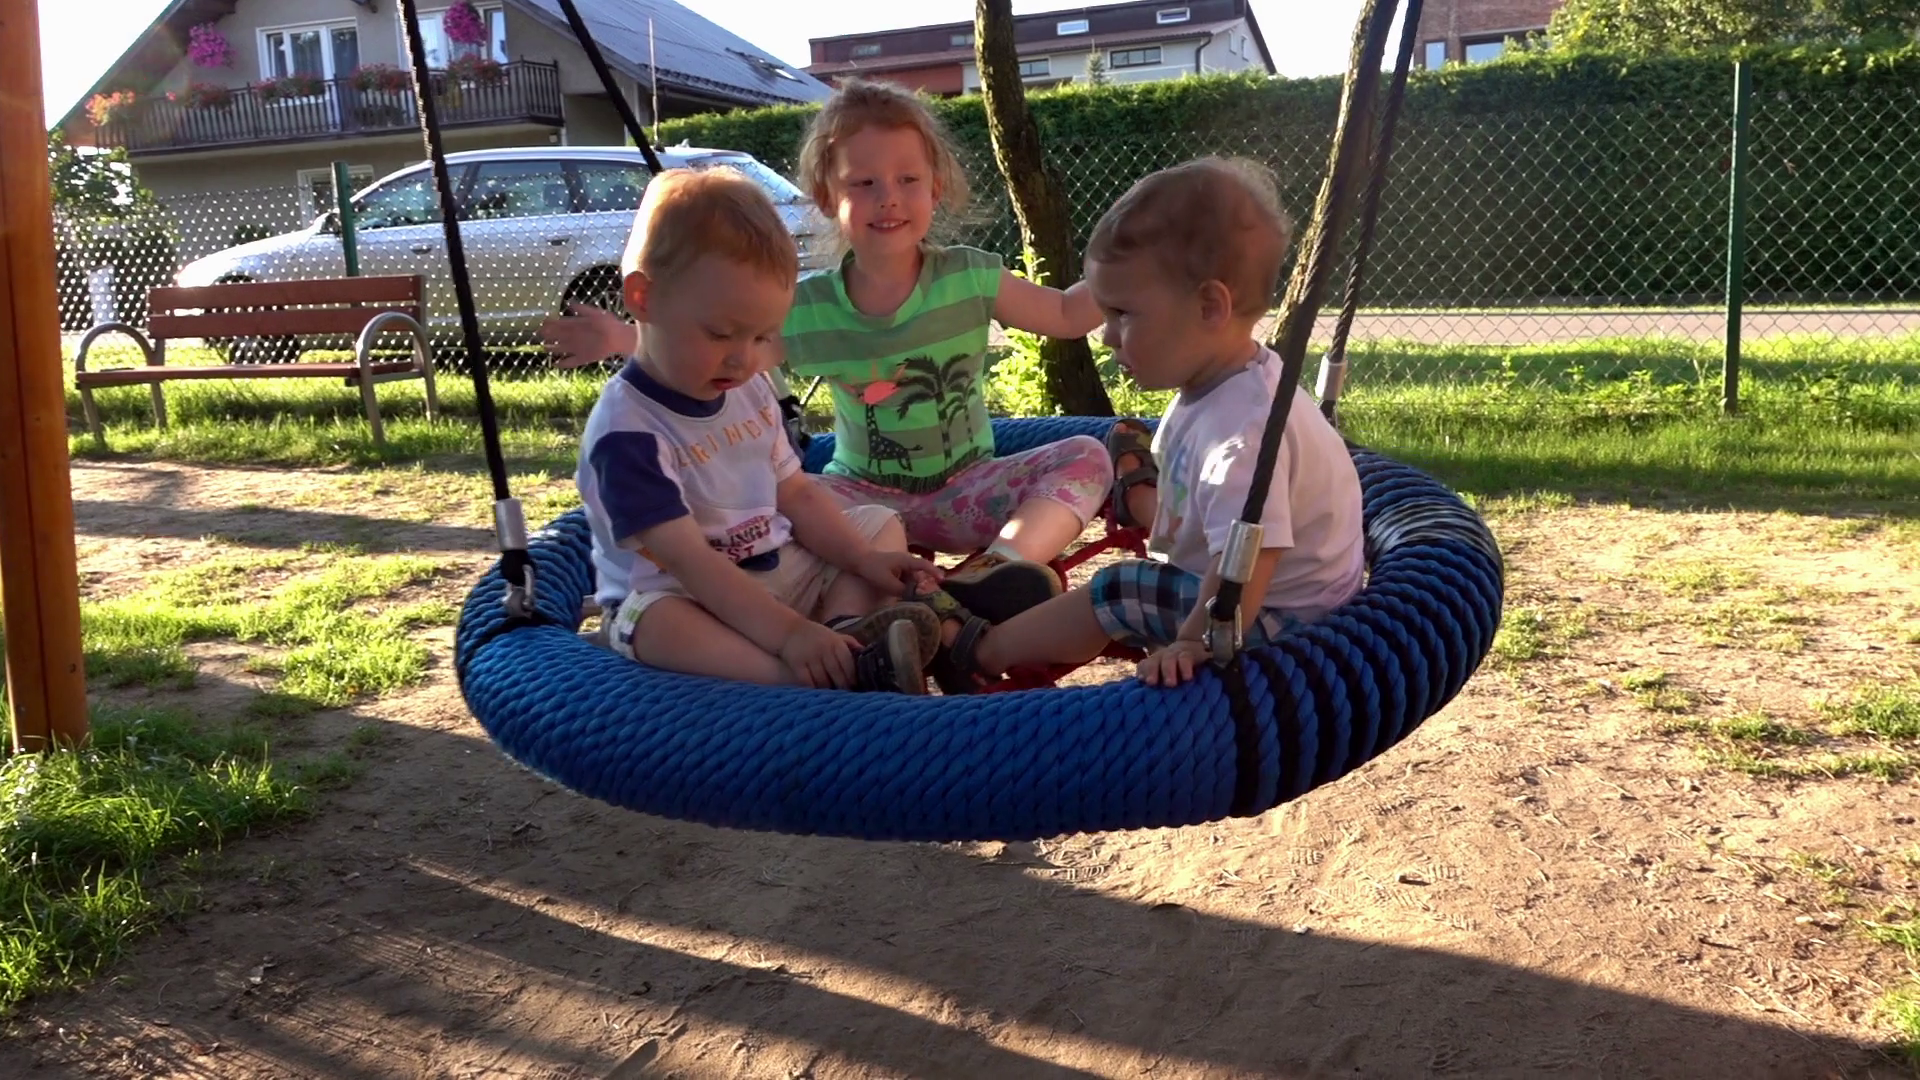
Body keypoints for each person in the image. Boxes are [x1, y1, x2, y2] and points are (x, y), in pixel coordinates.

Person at [545, 78, 1113, 628]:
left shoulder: (970, 277)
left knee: (1087, 454)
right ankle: (859, 625)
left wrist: (1129, 280)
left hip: (968, 490)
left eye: (908, 179)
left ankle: (994, 571)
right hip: (856, 498)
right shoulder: (809, 306)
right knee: (778, 499)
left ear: (935, 189)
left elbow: (1065, 316)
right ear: (825, 198)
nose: (888, 197)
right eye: (863, 183)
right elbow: (724, 348)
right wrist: (626, 338)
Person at [927, 156, 1366, 691]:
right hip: (1264, 593)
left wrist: (1194, 642)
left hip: (1278, 621)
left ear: (1209, 306)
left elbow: (1251, 561)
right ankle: (1139, 503)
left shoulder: (1241, 434)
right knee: (1149, 474)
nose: (1107, 336)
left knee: (1120, 589)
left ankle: (976, 651)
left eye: (1123, 314)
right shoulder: (1226, 381)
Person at [577, 166, 946, 694]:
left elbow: (795, 493)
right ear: (643, 298)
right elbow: (689, 561)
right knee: (653, 623)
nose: (743, 358)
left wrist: (864, 561)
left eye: (761, 337)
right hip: (686, 594)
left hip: (773, 570)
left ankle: (845, 636)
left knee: (875, 527)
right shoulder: (629, 432)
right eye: (720, 334)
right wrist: (790, 634)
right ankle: (806, 680)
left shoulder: (747, 387)